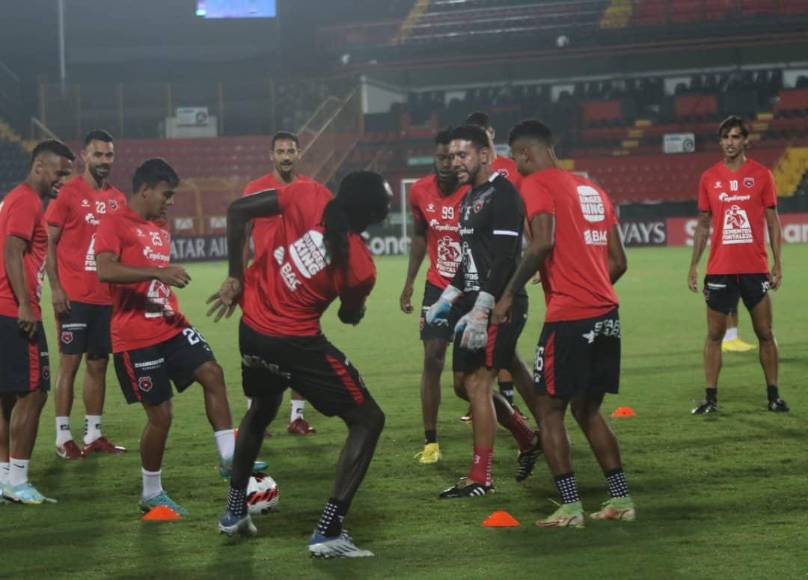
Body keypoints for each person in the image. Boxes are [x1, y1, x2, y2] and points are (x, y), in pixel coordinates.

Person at [207, 171, 390, 558]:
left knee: (262, 409)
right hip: (294, 343)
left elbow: (237, 211)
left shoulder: (307, 193)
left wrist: (236, 276)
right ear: (373, 216)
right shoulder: (361, 265)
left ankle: (235, 512)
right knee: (368, 420)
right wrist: (358, 308)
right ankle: (328, 531)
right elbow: (348, 316)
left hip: (252, 329)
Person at [95, 158, 265, 515]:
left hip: (171, 324)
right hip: (135, 336)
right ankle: (151, 492)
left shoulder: (160, 226)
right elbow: (105, 270)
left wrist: (162, 279)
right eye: (166, 194)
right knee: (161, 417)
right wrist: (157, 272)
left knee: (212, 373)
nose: (170, 202)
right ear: (145, 190)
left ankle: (228, 457)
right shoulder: (113, 223)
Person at [493, 119, 635, 528]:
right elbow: (619, 261)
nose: (516, 165)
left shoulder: (535, 184)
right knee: (588, 410)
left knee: (548, 410)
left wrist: (508, 295)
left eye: (515, 157)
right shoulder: (592, 188)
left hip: (569, 318)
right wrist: (586, 285)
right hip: (606, 314)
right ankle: (621, 499)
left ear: (524, 153)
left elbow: (542, 241)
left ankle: (571, 507)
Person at [426, 125, 540, 499]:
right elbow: (469, 259)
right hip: (472, 303)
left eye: (463, 155)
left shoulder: (503, 194)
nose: (455, 162)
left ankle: (481, 478)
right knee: (462, 385)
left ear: (484, 155)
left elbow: (506, 258)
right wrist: (447, 297)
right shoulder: (470, 197)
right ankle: (528, 437)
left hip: (500, 304)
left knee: (478, 384)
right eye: (451, 156)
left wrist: (483, 307)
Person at [687, 116, 787, 414]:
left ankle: (773, 396)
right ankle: (710, 399)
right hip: (720, 269)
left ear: (745, 140)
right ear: (720, 141)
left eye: (735, 137)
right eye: (725, 137)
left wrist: (778, 263)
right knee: (714, 335)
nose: (729, 143)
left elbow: (773, 222)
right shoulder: (709, 177)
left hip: (755, 268)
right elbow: (703, 225)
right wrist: (694, 265)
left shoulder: (762, 175)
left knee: (765, 333)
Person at [45, 129, 128, 459]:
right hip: (73, 297)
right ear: (85, 156)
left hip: (105, 298)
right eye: (99, 154)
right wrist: (55, 287)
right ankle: (63, 436)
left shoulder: (118, 199)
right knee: (70, 364)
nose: (105, 160)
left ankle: (93, 434)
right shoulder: (67, 193)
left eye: (109, 155)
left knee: (98, 363)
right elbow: (49, 241)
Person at [0, 140, 74, 503]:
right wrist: (27, 305)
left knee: (5, 396)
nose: (62, 180)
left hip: (4, 309)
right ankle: (18, 480)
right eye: (59, 172)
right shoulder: (27, 201)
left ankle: (3, 478)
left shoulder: (17, 199)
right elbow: (12, 252)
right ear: (39, 167)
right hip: (15, 311)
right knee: (34, 392)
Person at [399, 127, 468, 464]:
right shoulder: (419, 191)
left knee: (465, 382)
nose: (446, 164)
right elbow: (418, 236)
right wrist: (409, 282)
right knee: (432, 356)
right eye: (440, 157)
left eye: (452, 158)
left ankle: (516, 424)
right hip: (437, 286)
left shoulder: (475, 191)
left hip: (471, 289)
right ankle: (430, 441)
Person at [242, 131, 316, 436]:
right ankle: (254, 416)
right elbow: (241, 234)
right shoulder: (255, 189)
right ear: (271, 155)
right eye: (281, 151)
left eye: (291, 151)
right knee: (257, 351)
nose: (286, 156)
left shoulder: (308, 189)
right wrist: (236, 276)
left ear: (299, 154)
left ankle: (297, 417)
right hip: (261, 284)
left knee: (302, 348)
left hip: (296, 282)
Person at [464, 112, 524, 417]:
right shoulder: (470, 178)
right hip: (478, 271)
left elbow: (525, 211)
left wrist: (532, 253)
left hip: (504, 269)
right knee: (501, 353)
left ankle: (504, 402)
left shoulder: (509, 173)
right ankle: (508, 407)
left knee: (495, 355)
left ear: (491, 134)